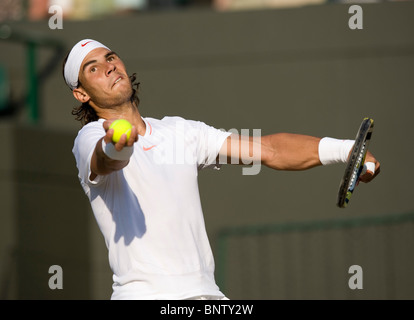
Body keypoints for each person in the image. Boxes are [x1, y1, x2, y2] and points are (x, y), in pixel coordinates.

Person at [64, 39, 380, 300]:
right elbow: (106, 160)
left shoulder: (180, 132)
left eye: (110, 58)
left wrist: (347, 149)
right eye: (94, 69)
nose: (109, 67)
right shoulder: (89, 137)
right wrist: (118, 143)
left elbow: (268, 150)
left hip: (207, 296)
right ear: (82, 93)